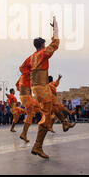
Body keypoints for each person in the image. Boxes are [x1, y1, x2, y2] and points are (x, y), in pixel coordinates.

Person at [22, 16, 65, 158]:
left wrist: (31, 80)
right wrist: (56, 29)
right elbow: (55, 45)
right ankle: (37, 146)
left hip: (37, 88)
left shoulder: (31, 57)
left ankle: (64, 123)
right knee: (46, 116)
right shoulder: (42, 54)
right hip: (41, 87)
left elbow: (23, 68)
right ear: (42, 45)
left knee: (53, 108)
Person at [16, 72, 40, 143]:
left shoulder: (22, 77)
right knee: (30, 115)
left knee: (36, 109)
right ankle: (23, 134)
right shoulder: (28, 76)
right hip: (27, 97)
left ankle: (24, 134)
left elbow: (17, 85)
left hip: (25, 97)